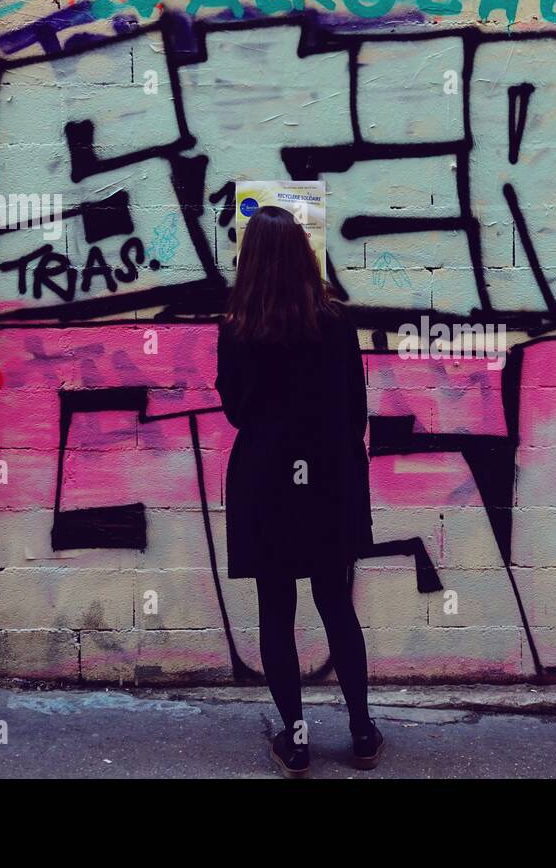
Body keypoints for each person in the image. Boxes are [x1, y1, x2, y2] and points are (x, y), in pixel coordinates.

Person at [215, 204, 382, 777]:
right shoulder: (334, 320)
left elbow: (236, 410)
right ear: (304, 257)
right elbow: (355, 407)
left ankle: (297, 740)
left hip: (265, 479)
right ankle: (361, 733)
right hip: (327, 477)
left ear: (252, 258)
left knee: (275, 609)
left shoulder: (238, 326)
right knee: (336, 602)